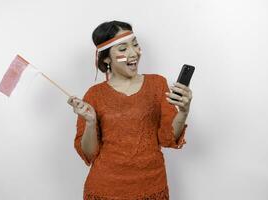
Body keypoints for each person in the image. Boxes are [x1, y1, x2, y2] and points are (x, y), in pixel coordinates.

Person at [67, 20, 193, 200]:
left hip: (152, 186)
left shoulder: (157, 84)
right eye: (123, 49)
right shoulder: (94, 95)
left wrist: (183, 111)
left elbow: (167, 139)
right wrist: (90, 122)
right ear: (106, 58)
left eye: (135, 44)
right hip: (105, 189)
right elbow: (89, 153)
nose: (134, 53)